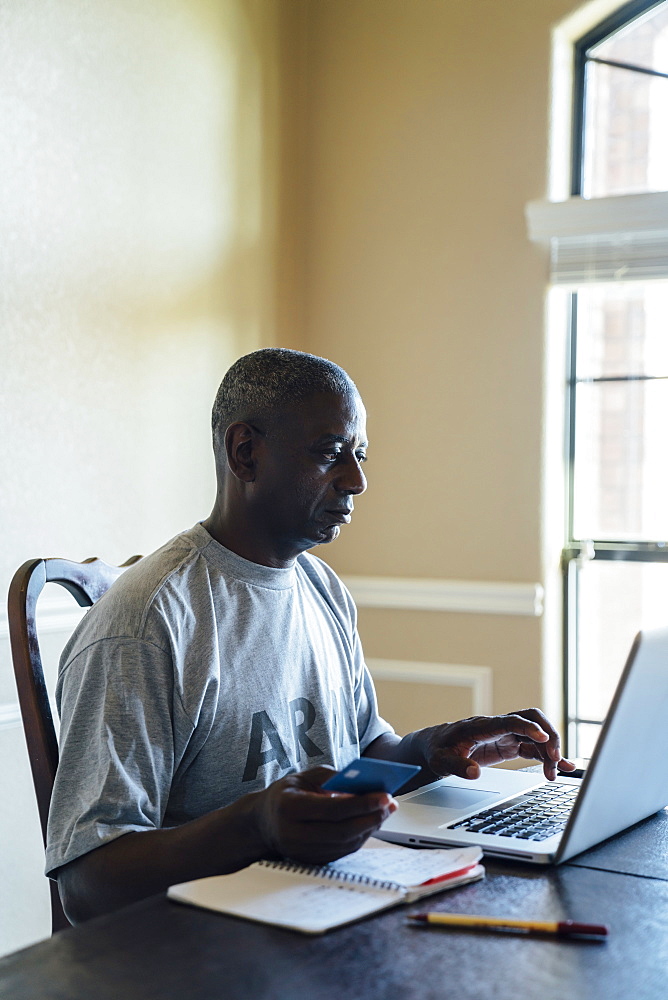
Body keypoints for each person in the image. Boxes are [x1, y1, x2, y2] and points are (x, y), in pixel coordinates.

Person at [47, 348, 573, 923]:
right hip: (204, 946)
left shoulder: (321, 587)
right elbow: (87, 883)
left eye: (360, 455)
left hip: (322, 910)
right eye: (331, 454)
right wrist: (255, 825)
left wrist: (435, 749)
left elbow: (364, 756)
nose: (358, 479)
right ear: (245, 452)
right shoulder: (145, 623)